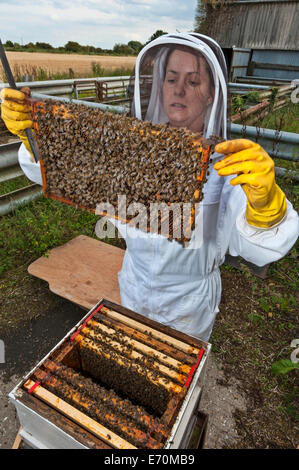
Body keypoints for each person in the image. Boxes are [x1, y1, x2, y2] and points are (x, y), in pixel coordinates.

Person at [1, 33, 298, 342]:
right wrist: (35, 139)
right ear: (160, 86)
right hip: (133, 288)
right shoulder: (132, 150)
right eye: (171, 79)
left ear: (212, 94)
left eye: (193, 81)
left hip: (189, 307)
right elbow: (69, 171)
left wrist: (267, 209)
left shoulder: (228, 166)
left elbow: (259, 249)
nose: (179, 90)